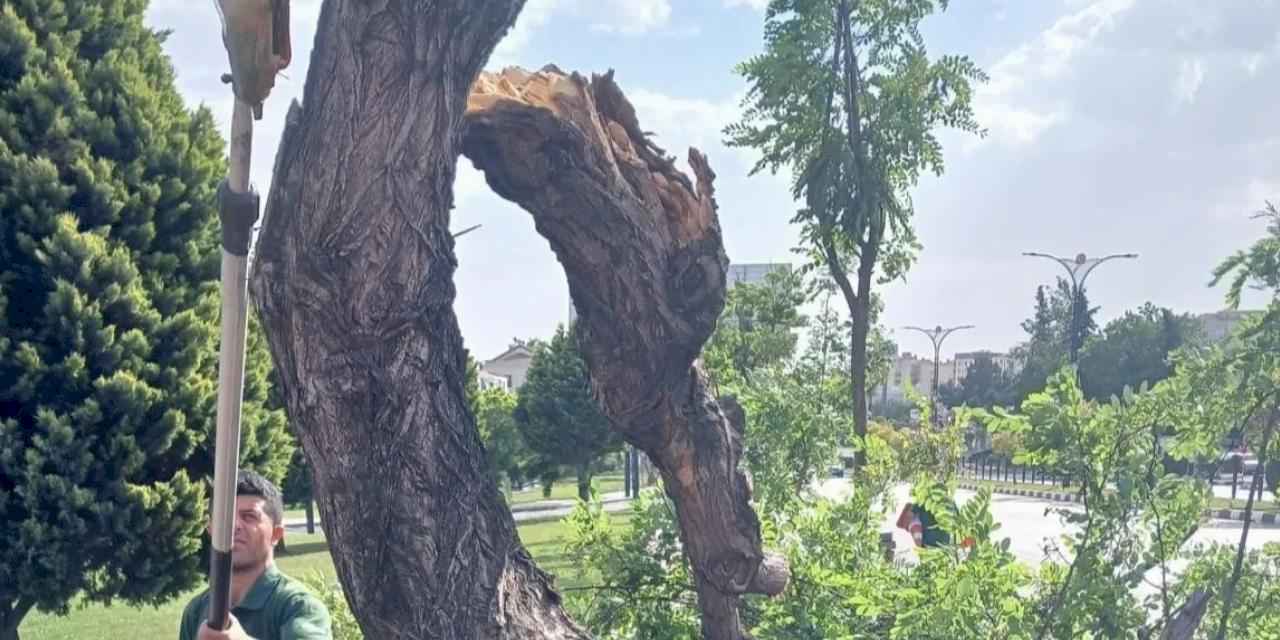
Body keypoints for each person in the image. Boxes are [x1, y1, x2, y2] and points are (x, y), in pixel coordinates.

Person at [180, 469, 331, 640]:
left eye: (249, 516)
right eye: (225, 517)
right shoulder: (196, 611)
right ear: (211, 530)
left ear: (276, 534)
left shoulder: (298, 607)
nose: (234, 525)